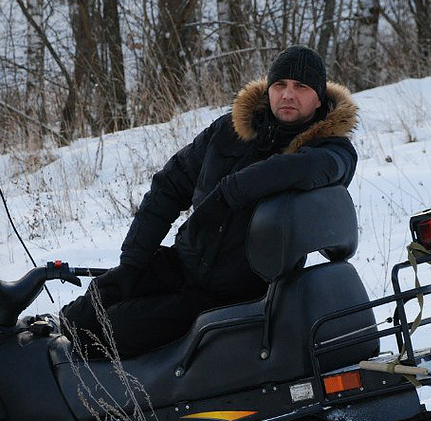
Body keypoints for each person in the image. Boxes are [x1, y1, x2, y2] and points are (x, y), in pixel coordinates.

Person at [61, 45, 358, 358]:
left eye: (301, 87)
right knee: (82, 313)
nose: (287, 95)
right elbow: (169, 185)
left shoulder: (332, 150)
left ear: (319, 98)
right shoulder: (227, 131)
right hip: (183, 264)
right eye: (280, 85)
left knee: (112, 331)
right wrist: (134, 261)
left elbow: (306, 168)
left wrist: (232, 190)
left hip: (237, 295)